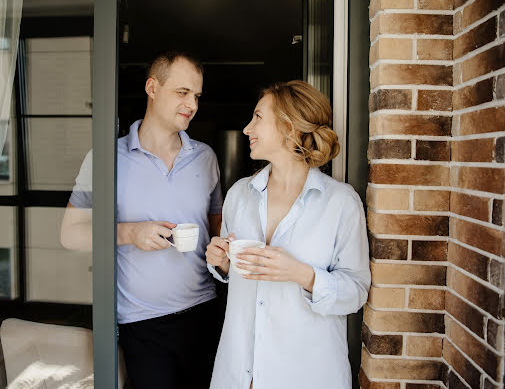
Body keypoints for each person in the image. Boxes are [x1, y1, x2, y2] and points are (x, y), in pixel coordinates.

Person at [61, 51, 223, 389]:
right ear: (152, 87)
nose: (191, 104)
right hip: (142, 323)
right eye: (182, 93)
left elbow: (216, 230)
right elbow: (70, 235)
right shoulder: (105, 159)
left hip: (204, 314)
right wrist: (129, 232)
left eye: (196, 96)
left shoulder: (205, 158)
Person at [205, 80, 370, 388]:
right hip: (240, 372)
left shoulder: (341, 202)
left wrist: (300, 273)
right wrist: (221, 262)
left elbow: (356, 291)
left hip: (307, 373)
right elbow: (231, 270)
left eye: (257, 118)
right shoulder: (240, 194)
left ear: (289, 128)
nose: (246, 128)